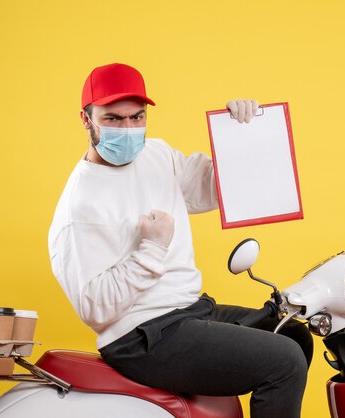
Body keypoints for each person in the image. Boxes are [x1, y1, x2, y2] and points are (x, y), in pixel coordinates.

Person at [48, 63, 313, 418]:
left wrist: (239, 134)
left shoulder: (155, 154)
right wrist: (151, 249)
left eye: (137, 117)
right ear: (86, 119)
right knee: (285, 362)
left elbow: (215, 190)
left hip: (188, 311)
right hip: (141, 337)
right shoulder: (80, 206)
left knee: (295, 335)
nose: (128, 130)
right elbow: (95, 309)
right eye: (113, 119)